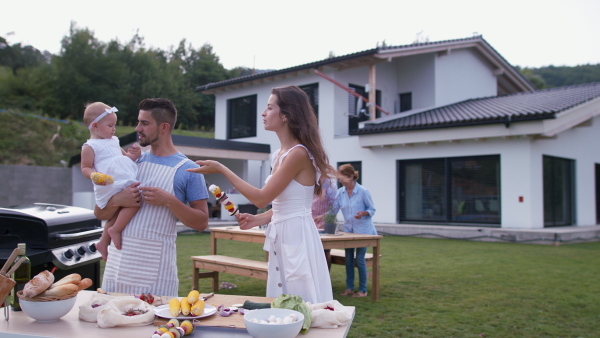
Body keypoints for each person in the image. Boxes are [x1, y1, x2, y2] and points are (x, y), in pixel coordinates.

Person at [187, 86, 335, 304]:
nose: (263, 113)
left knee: (300, 301)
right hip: (283, 233)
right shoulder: (280, 154)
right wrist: (258, 219)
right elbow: (283, 204)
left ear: (285, 115)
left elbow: (260, 198)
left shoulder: (298, 154)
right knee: (282, 302)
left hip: (297, 236)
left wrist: (222, 168)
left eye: (269, 107)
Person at [94, 98, 209, 297]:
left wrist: (169, 201)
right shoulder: (128, 162)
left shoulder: (188, 169)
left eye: (145, 123)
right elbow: (99, 212)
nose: (138, 128)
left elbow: (201, 222)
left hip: (155, 274)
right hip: (117, 267)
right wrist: (118, 200)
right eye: (139, 122)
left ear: (164, 127)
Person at [81, 102, 141, 261]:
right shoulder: (90, 146)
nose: (114, 129)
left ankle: (103, 242)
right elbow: (85, 167)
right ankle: (115, 229)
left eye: (114, 125)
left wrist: (133, 156)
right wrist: (94, 175)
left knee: (119, 210)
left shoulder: (114, 140)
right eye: (110, 125)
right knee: (135, 201)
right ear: (95, 126)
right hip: (108, 182)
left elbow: (124, 158)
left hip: (120, 180)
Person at [330, 164, 377, 298]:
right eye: (339, 179)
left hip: (363, 231)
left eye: (343, 178)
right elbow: (334, 210)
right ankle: (350, 288)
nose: (341, 181)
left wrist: (363, 213)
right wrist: (322, 217)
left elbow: (372, 209)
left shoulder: (363, 191)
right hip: (348, 231)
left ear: (351, 176)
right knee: (349, 260)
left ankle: (363, 290)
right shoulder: (341, 192)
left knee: (360, 259)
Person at [311, 177, 337, 270]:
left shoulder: (330, 185)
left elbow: (335, 207)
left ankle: (326, 278)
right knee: (312, 251)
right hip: (311, 221)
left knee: (325, 251)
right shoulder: (311, 182)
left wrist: (324, 217)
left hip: (324, 222)